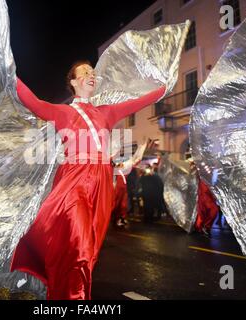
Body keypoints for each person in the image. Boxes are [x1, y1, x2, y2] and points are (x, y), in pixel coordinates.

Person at [10, 61, 166, 300]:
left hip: (102, 183)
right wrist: (9, 73)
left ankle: (60, 294)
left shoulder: (106, 111)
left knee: (88, 250)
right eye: (85, 72)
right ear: (73, 82)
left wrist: (164, 88)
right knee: (80, 246)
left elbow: (139, 102)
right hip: (75, 180)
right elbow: (34, 103)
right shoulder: (63, 112)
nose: (91, 74)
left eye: (93, 72)